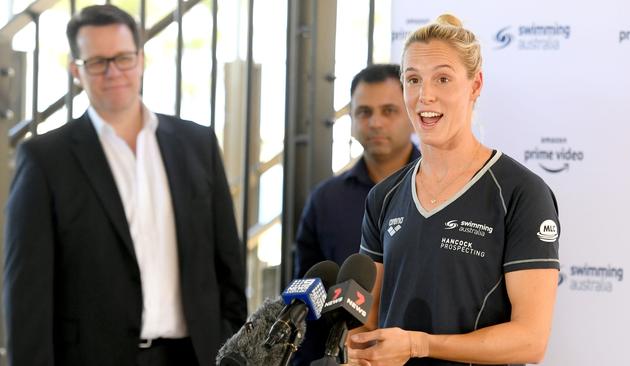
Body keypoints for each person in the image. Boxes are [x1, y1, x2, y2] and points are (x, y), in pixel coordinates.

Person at [2, 5, 247, 366]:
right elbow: (26, 296)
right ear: (76, 71)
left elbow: (228, 263)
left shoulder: (197, 144)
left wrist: (230, 343)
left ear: (141, 60)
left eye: (123, 58)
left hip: (195, 354)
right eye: (97, 62)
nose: (113, 71)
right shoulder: (44, 160)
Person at [348, 14, 560, 366]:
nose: (424, 95)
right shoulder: (384, 196)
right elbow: (366, 322)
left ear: (475, 85)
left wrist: (420, 345)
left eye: (442, 79)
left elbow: (530, 341)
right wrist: (355, 349)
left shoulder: (521, 193)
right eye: (413, 79)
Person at [292, 64, 419, 365]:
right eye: (364, 112)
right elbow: (306, 300)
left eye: (389, 111)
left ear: (413, 115)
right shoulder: (326, 200)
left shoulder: (446, 191)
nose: (375, 122)